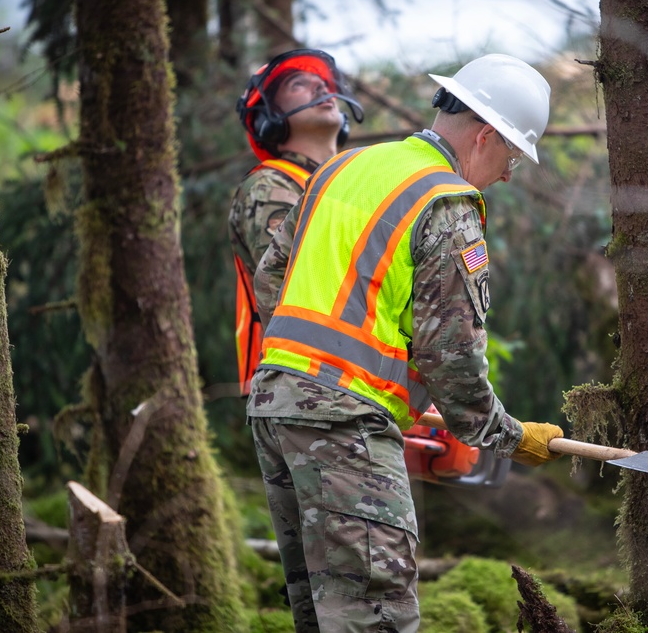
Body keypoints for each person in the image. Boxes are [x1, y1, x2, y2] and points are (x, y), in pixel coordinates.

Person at [248, 53, 564, 633]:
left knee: (321, 617)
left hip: (275, 408)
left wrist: (339, 368)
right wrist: (510, 436)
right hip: (344, 424)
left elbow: (272, 277)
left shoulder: (345, 168)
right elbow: (454, 357)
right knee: (376, 617)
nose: (510, 173)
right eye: (513, 156)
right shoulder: (447, 203)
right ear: (486, 137)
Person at [229, 48, 364, 395]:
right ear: (268, 119)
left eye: (323, 81)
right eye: (298, 84)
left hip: (350, 382)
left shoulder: (345, 188)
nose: (321, 87)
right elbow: (294, 286)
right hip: (299, 385)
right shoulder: (269, 186)